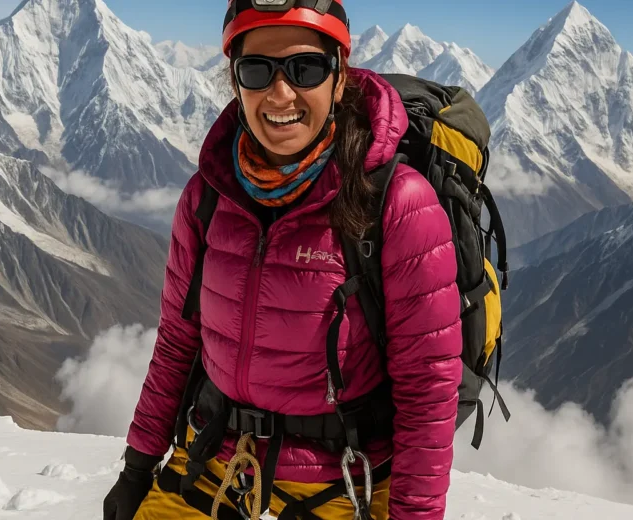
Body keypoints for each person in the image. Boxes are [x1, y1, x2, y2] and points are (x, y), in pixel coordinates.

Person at [103, 1, 462, 518]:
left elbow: (428, 386)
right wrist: (138, 467)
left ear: (339, 79)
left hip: (346, 480)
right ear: (234, 82)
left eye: (305, 68)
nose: (280, 92)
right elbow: (177, 346)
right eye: (257, 69)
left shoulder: (396, 203)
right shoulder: (207, 198)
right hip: (218, 461)